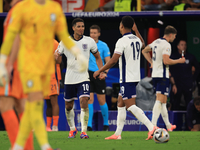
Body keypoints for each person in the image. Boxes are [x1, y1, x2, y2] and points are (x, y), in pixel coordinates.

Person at [0, 0, 88, 150]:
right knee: (28, 107)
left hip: (36, 69)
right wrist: (5, 62)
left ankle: (24, 145)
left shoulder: (44, 9)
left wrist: (76, 53)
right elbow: (13, 38)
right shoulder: (24, 10)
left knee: (21, 106)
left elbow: (62, 36)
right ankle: (35, 146)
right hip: (27, 67)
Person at [94, 16, 157, 140]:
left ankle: (152, 127)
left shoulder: (121, 41)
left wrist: (99, 70)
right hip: (134, 76)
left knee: (130, 106)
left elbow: (113, 61)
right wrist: (137, 30)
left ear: (121, 26)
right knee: (120, 103)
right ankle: (117, 134)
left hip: (127, 77)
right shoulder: (137, 39)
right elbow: (143, 44)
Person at [55, 18, 104, 139]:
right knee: (68, 106)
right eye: (79, 26)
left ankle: (84, 131)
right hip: (70, 79)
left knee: (84, 102)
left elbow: (98, 57)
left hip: (84, 77)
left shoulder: (89, 41)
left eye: (83, 26)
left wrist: (101, 70)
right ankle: (72, 130)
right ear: (73, 28)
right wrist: (56, 56)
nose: (81, 28)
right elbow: (58, 58)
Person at [0, 0, 33, 149]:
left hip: (15, 64)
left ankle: (17, 146)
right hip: (24, 64)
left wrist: (8, 64)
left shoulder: (17, 11)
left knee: (5, 104)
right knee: (22, 107)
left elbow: (16, 37)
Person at [142, 25, 185, 131]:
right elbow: (166, 61)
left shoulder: (156, 42)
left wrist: (151, 62)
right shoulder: (166, 45)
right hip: (162, 75)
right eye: (174, 36)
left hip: (156, 74)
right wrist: (179, 61)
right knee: (159, 100)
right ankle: (152, 126)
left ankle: (168, 126)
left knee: (164, 101)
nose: (175, 38)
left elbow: (144, 51)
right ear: (170, 35)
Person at [87, 25, 110, 131]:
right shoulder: (85, 45)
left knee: (101, 100)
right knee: (89, 99)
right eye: (91, 33)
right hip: (88, 74)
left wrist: (104, 72)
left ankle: (106, 125)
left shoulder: (104, 46)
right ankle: (89, 125)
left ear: (99, 34)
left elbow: (108, 62)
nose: (93, 35)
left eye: (95, 33)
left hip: (100, 74)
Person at [170, 40, 199, 110]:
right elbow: (170, 70)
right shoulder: (174, 57)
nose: (184, 46)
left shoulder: (190, 57)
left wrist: (193, 79)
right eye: (182, 45)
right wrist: (173, 84)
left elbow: (198, 68)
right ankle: (175, 120)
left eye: (185, 45)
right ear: (178, 46)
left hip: (187, 83)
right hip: (177, 83)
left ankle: (189, 119)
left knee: (189, 102)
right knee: (175, 102)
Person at [45, 40, 62, 132]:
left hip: (53, 76)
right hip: (43, 77)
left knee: (53, 101)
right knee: (47, 103)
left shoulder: (55, 43)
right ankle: (48, 127)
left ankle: (55, 126)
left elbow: (59, 60)